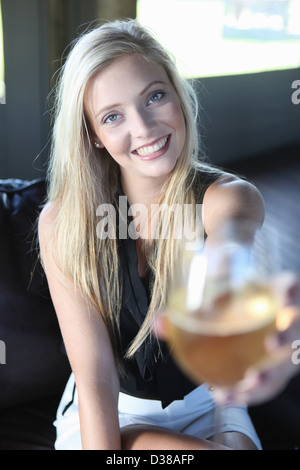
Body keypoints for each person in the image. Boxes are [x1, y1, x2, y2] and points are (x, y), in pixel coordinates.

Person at [38, 19, 299, 450]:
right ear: (94, 136)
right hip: (109, 409)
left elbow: (232, 240)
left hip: (210, 399)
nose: (143, 127)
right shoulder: (62, 222)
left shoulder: (230, 198)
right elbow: (95, 374)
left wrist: (230, 290)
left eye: (154, 96)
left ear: (178, 97)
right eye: (113, 116)